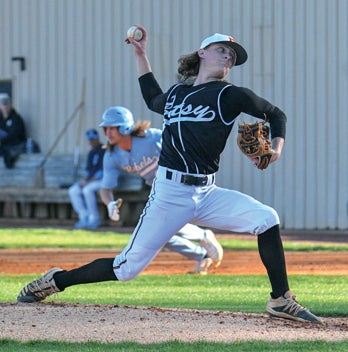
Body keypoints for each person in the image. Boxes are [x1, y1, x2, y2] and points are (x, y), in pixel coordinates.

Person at [17, 26, 322, 324]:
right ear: (202, 53)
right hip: (168, 194)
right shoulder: (176, 94)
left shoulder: (230, 95)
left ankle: (281, 299)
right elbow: (152, 98)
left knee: (266, 218)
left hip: (208, 193)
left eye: (232, 55)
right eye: (222, 50)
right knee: (126, 268)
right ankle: (55, 280)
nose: (228, 57)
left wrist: (277, 149)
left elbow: (276, 115)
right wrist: (141, 54)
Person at [99, 105, 223, 274]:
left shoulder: (151, 138)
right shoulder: (112, 155)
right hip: (158, 190)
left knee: (161, 225)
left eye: (111, 128)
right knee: (160, 235)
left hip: (181, 183)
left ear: (124, 127)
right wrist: (110, 204)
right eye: (105, 129)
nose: (107, 133)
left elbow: (181, 144)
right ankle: (202, 255)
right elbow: (105, 189)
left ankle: (203, 237)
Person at [68, 129, 105, 229]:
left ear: (97, 138)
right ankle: (84, 216)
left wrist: (87, 182)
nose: (91, 141)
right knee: (73, 190)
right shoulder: (91, 153)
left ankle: (94, 218)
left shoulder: (104, 150)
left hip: (103, 181)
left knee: (87, 190)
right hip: (91, 181)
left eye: (93, 139)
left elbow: (102, 172)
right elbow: (88, 172)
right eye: (90, 140)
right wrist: (84, 180)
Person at [0, 93, 27, 168]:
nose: (5, 106)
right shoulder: (0, 119)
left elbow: (14, 135)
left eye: (7, 104)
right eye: (3, 104)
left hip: (15, 146)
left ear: (11, 104)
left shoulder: (16, 118)